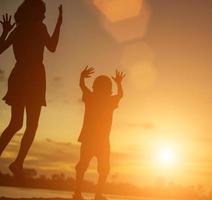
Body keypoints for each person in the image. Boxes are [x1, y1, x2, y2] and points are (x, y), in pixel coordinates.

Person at [0, 0, 62, 177]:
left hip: (19, 75)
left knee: (15, 123)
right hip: (34, 76)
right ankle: (18, 163)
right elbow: (52, 47)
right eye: (41, 11)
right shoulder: (39, 28)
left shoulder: (18, 29)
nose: (43, 14)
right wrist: (59, 23)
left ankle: (18, 163)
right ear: (33, 12)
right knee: (31, 125)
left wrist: (4, 32)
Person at [74, 67, 125, 200]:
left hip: (92, 140)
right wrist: (119, 83)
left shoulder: (91, 97)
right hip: (100, 141)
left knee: (86, 167)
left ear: (95, 86)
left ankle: (81, 193)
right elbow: (120, 95)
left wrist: (82, 76)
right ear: (108, 89)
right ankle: (93, 194)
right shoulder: (108, 100)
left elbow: (82, 86)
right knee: (99, 168)